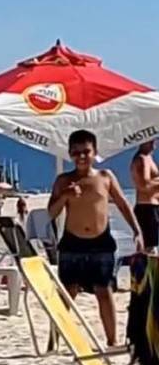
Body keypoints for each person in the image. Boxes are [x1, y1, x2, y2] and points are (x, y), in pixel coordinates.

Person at [47, 129, 144, 346]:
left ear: (95, 152)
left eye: (86, 152)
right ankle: (53, 340)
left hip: (101, 242)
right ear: (70, 154)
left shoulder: (105, 177)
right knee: (67, 292)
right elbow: (51, 214)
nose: (81, 156)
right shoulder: (64, 181)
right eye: (76, 153)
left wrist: (137, 231)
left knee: (104, 291)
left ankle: (112, 340)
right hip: (72, 242)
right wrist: (65, 196)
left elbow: (122, 204)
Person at [129, 139, 159, 250]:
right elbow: (144, 185)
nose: (153, 144)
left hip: (152, 208)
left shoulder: (148, 158)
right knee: (149, 249)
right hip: (147, 209)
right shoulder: (142, 159)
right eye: (150, 141)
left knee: (151, 247)